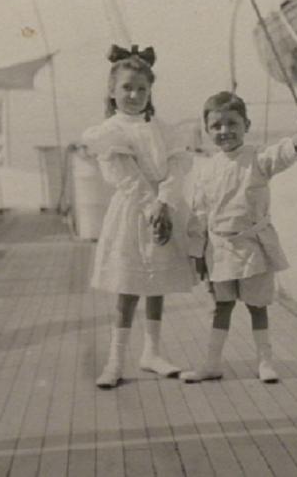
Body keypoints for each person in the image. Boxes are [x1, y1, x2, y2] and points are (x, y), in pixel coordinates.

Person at [181, 91, 297, 384]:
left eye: (232, 123)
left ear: (246, 125)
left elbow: (281, 155)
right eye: (216, 126)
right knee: (221, 306)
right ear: (207, 131)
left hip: (252, 246)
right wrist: (197, 253)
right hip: (218, 250)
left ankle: (265, 361)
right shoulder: (206, 170)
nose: (224, 131)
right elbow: (200, 215)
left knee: (257, 305)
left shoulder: (256, 158)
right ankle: (212, 363)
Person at [82, 44, 195, 389]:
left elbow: (176, 166)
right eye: (127, 88)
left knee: (156, 281)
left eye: (142, 89)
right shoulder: (110, 132)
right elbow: (125, 175)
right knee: (128, 286)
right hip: (133, 211)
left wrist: (165, 201)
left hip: (164, 207)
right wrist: (151, 206)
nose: (134, 94)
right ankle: (116, 359)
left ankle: (153, 352)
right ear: (112, 92)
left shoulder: (163, 128)